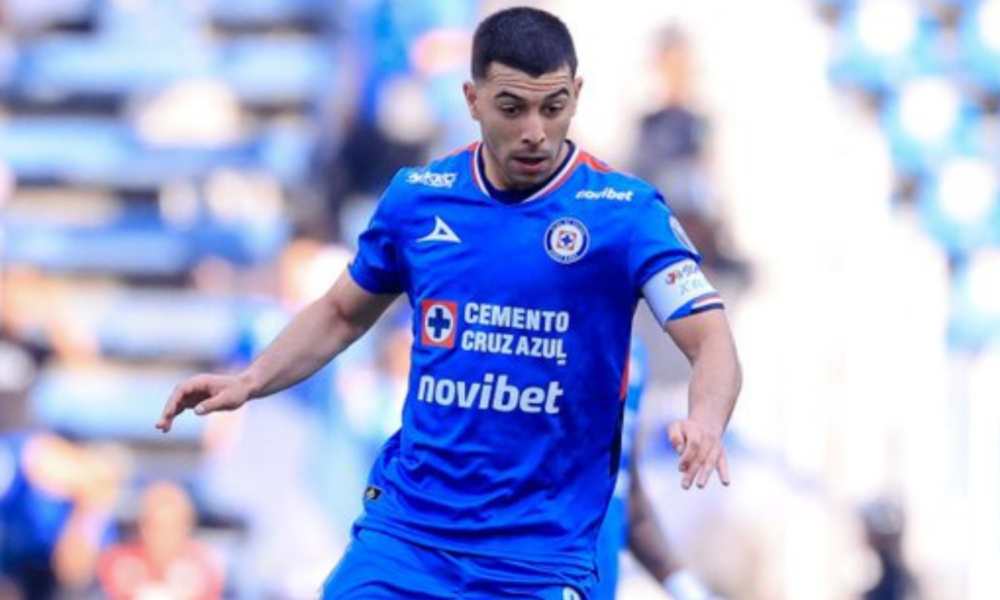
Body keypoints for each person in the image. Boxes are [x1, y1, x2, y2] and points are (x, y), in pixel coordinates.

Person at [156, 6, 742, 599]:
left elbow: (710, 337)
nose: (535, 129)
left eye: (554, 106)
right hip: (407, 538)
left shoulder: (626, 213)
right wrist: (252, 379)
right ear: (472, 98)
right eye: (512, 107)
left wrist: (708, 419)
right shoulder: (418, 200)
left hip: (536, 561)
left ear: (577, 95)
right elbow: (339, 313)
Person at [594, 338, 724, 600]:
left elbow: (624, 486)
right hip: (529, 577)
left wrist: (685, 587)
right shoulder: (551, 332)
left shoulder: (634, 355)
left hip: (600, 583)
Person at [97, 480, 225, 600]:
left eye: (172, 526)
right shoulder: (118, 562)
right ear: (142, 525)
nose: (163, 536)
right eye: (155, 526)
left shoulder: (204, 564)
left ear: (187, 525)